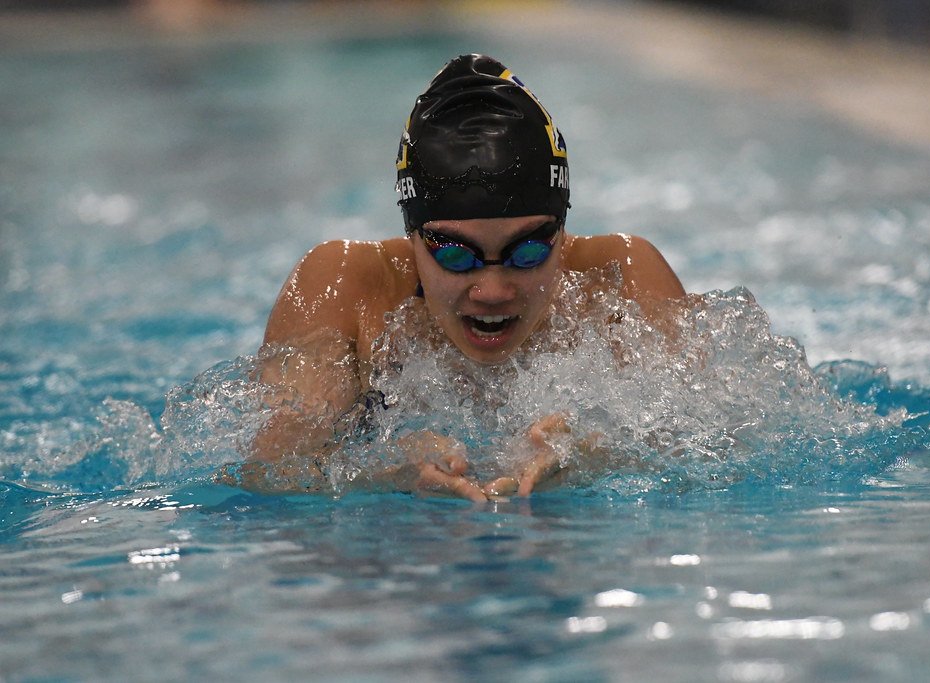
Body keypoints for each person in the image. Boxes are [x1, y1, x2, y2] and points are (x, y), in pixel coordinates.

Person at [241, 54, 685, 501]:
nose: (493, 291)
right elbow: (264, 481)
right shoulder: (346, 289)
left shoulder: (619, 280)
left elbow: (716, 448)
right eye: (455, 256)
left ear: (562, 232)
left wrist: (594, 452)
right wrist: (379, 469)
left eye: (528, 253)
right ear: (411, 235)